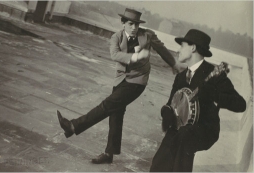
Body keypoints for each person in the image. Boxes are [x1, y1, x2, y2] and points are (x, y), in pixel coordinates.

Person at [57, 8, 186, 164]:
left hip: (137, 82)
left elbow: (162, 49)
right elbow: (115, 55)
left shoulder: (147, 35)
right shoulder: (116, 37)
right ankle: (109, 154)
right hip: (120, 80)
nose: (134, 28)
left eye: (137, 25)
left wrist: (173, 64)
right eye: (130, 24)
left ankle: (73, 126)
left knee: (106, 105)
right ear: (123, 23)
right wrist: (136, 56)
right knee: (115, 114)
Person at [149, 29, 247, 172]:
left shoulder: (214, 75)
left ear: (193, 48)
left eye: (182, 46)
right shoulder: (181, 77)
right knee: (159, 161)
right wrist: (166, 112)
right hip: (181, 127)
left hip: (205, 129)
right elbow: (171, 103)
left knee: (184, 140)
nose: (178, 50)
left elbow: (240, 104)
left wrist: (214, 95)